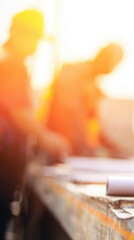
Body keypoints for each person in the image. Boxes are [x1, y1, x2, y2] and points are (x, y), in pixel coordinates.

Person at [0, 9, 70, 238]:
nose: (36, 46)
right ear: (19, 33)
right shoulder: (12, 66)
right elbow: (20, 112)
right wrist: (47, 137)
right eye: (34, 38)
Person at [46, 43, 125, 157]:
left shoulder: (92, 85)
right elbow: (68, 117)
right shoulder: (72, 73)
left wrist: (113, 148)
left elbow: (92, 125)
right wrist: (83, 149)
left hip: (77, 154)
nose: (112, 69)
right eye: (113, 62)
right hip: (58, 152)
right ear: (102, 56)